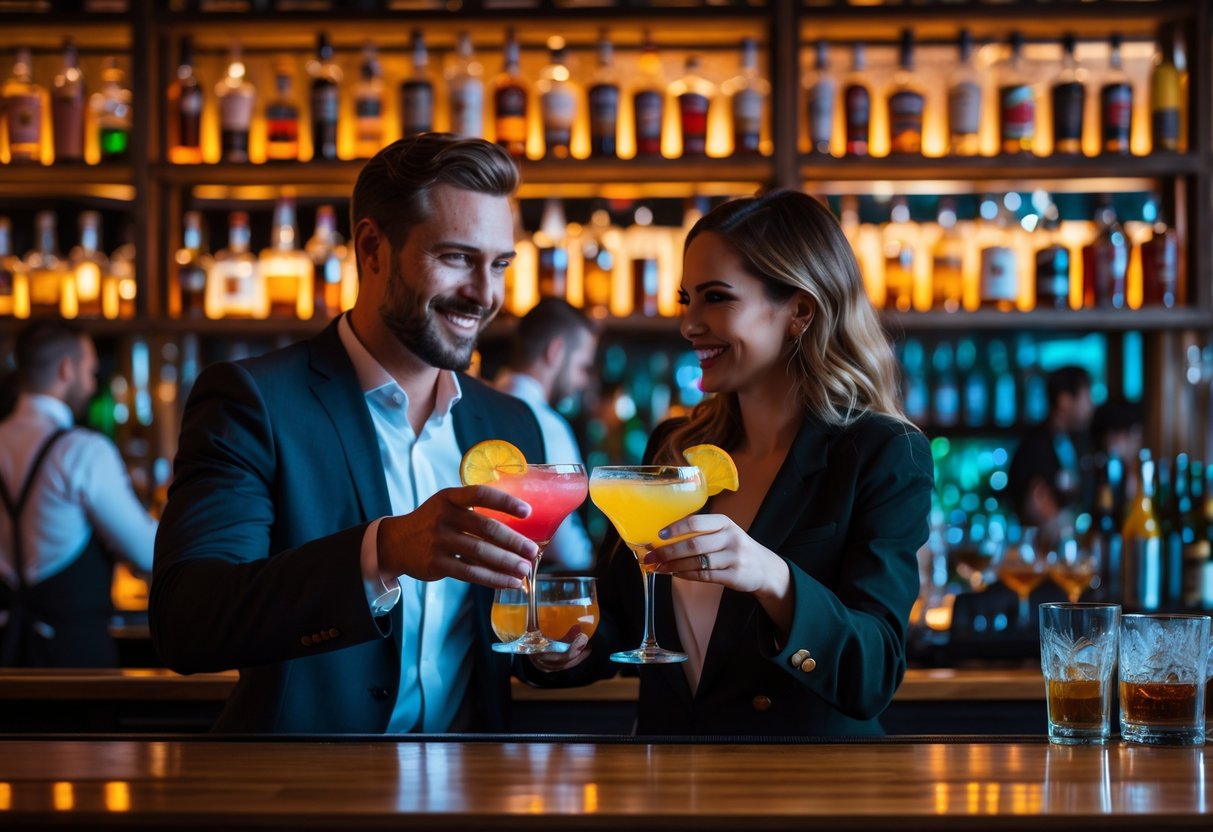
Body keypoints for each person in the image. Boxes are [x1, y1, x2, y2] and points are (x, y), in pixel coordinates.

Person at [150, 134, 549, 733]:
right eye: (457, 258)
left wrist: (562, 649)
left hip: (472, 781)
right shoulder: (254, 401)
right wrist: (383, 552)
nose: (485, 295)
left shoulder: (509, 422)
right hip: (311, 780)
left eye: (499, 265)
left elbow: (523, 627)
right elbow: (187, 622)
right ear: (372, 248)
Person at [536, 190, 934, 736]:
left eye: (716, 298)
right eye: (687, 299)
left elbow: (873, 674)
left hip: (805, 780)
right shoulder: (675, 448)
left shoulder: (882, 453)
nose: (689, 324)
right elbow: (626, 623)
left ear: (799, 311)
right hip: (668, 773)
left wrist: (772, 578)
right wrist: (560, 649)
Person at [0, 321, 157, 667]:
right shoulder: (83, 451)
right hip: (73, 660)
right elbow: (148, 554)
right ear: (66, 369)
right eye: (90, 372)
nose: (92, 385)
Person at [494, 297, 597, 571]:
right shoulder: (550, 426)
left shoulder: (474, 409)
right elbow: (566, 546)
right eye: (582, 367)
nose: (582, 381)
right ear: (556, 351)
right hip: (529, 582)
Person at [1006, 366, 1094, 532]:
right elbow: (1033, 501)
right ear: (1064, 400)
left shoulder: (1082, 442)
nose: (1091, 406)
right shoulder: (1034, 446)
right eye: (1087, 397)